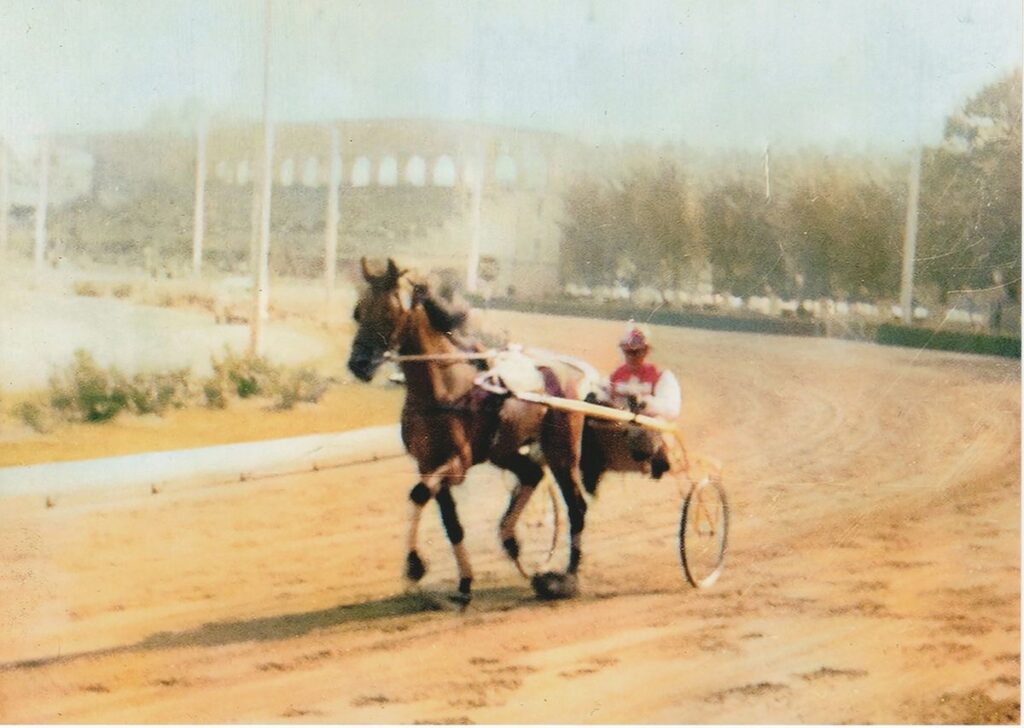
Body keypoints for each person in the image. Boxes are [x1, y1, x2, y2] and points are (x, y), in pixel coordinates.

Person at [603, 322, 680, 478]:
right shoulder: (615, 375)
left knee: (650, 426)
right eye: (627, 352)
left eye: (636, 352)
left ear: (646, 351)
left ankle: (656, 457)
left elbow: (671, 409)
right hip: (618, 429)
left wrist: (644, 403)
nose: (631, 356)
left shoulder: (661, 376)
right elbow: (604, 395)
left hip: (649, 431)